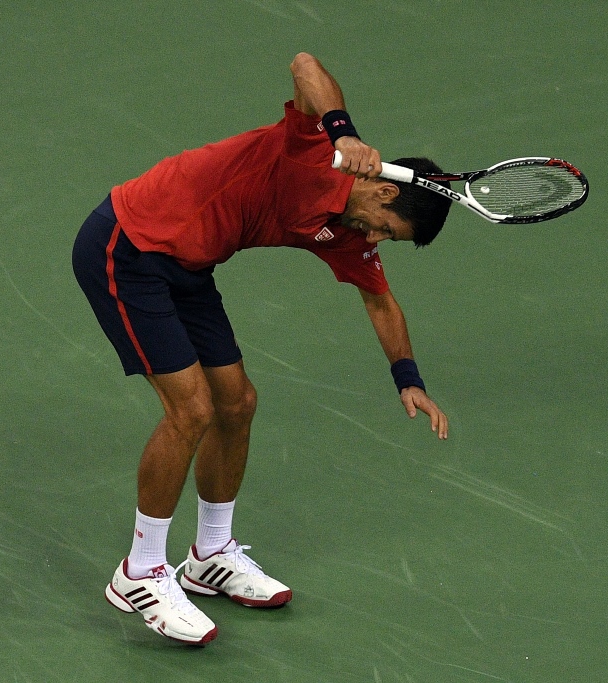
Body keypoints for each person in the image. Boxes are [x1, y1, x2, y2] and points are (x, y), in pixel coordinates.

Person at [72, 52, 452, 646]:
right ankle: (140, 570)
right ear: (381, 189)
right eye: (386, 227)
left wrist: (409, 378)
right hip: (130, 244)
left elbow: (381, 302)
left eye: (388, 241)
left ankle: (210, 555)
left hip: (191, 264)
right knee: (191, 409)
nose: (376, 240)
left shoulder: (347, 234)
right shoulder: (311, 146)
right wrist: (342, 130)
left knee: (237, 403)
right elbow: (304, 64)